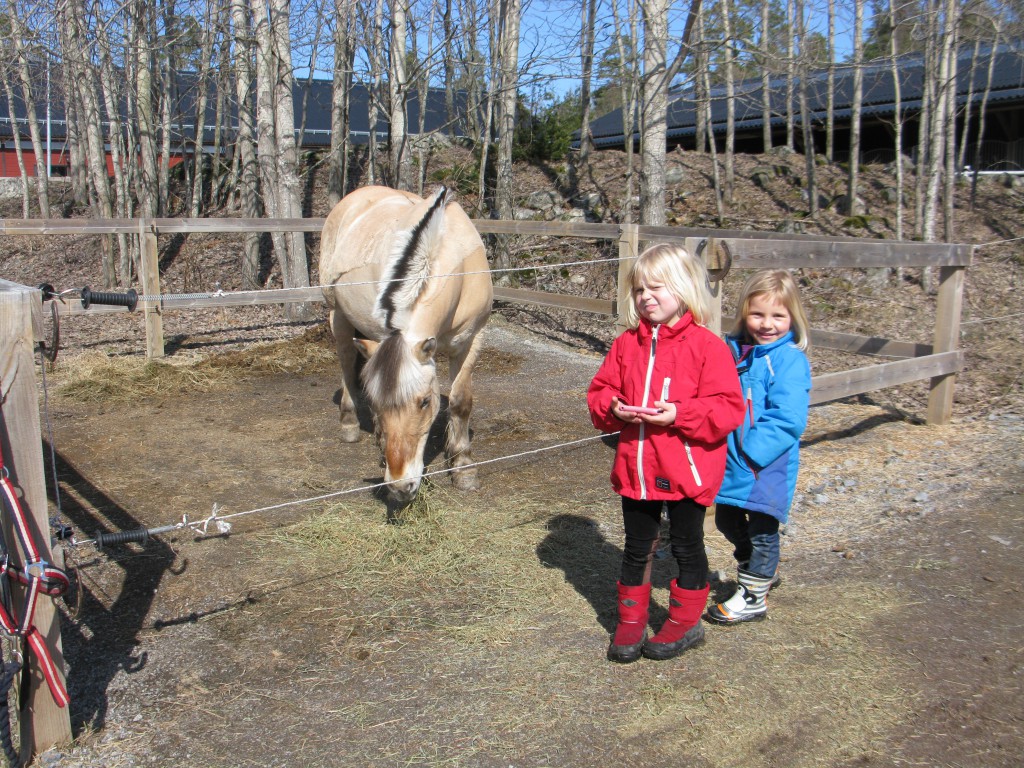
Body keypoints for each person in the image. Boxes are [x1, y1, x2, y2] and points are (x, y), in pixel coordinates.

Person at [587, 244, 745, 663]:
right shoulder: (625, 345)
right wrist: (613, 407)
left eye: (656, 287)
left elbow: (728, 408)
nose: (646, 297)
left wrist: (679, 413)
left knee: (687, 546)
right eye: (639, 289)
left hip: (687, 469)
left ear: (683, 289)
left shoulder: (708, 347)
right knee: (637, 546)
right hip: (636, 468)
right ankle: (631, 622)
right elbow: (600, 391)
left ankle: (685, 623)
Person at [707, 269, 812, 625]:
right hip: (732, 460)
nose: (767, 324)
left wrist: (753, 453)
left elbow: (789, 418)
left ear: (792, 317)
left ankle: (753, 595)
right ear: (744, 314)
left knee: (763, 530)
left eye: (778, 316)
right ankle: (759, 571)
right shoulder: (733, 352)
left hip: (767, 464)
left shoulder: (790, 360)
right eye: (758, 314)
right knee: (726, 519)